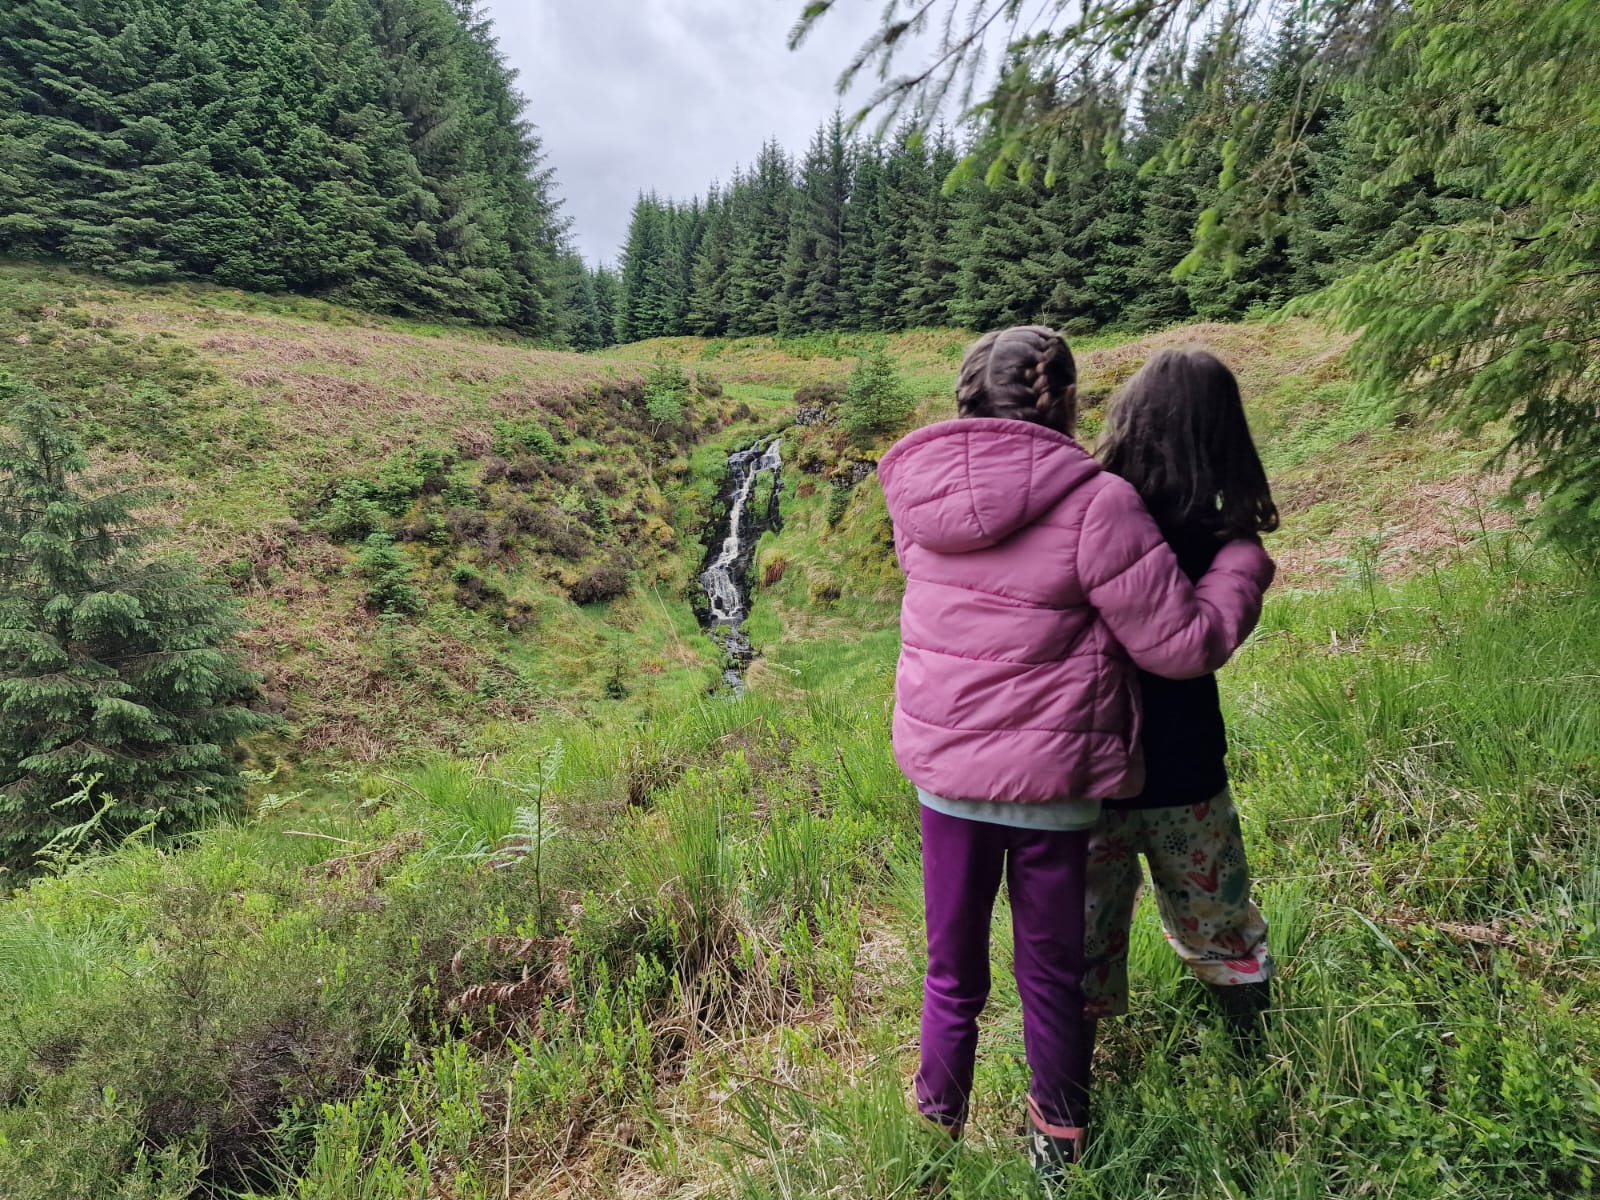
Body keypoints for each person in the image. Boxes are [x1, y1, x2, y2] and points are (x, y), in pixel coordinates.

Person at [877, 326, 1276, 1182]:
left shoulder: (914, 496)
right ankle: (1057, 1161)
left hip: (944, 777)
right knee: (1050, 980)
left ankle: (930, 1145)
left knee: (949, 972)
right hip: (1050, 785)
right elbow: (1176, 646)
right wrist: (1240, 564)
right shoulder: (1099, 504)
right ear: (1064, 400)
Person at [1084, 347, 1280, 1045]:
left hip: (1084, 774)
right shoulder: (1222, 542)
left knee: (1076, 946)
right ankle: (1255, 1055)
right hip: (1187, 768)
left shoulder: (1086, 518)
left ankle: (1074, 1085)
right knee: (1221, 924)